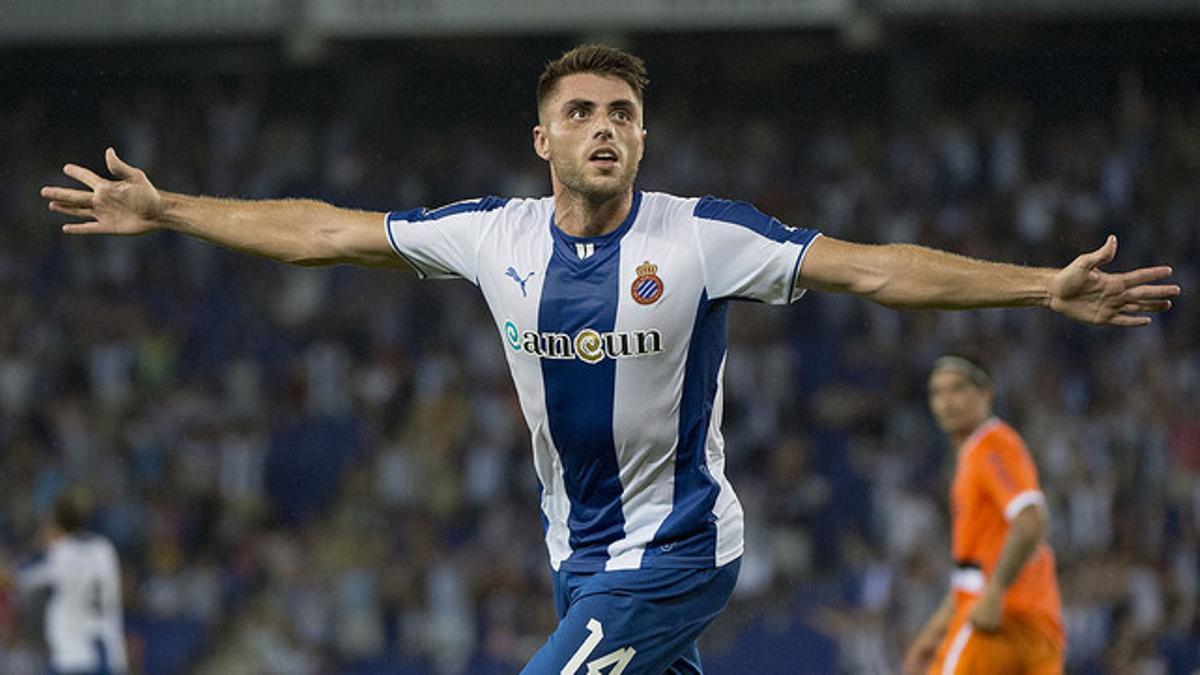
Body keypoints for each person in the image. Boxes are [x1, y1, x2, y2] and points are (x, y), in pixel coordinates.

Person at [39, 44, 1178, 674]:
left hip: (679, 550)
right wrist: (172, 209)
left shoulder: (701, 236)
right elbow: (324, 232)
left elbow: (876, 268)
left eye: (622, 113)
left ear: (642, 136)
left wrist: (1040, 287)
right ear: (543, 139)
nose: (603, 126)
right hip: (574, 558)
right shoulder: (495, 238)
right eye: (580, 110)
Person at [903, 356, 1065, 675]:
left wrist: (995, 592)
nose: (946, 402)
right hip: (1035, 620)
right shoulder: (974, 454)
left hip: (999, 621)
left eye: (958, 389)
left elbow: (1030, 520)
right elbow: (972, 568)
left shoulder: (990, 444)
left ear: (985, 394)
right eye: (937, 393)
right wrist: (935, 630)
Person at [10, 490, 128, 675]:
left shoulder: (60, 554)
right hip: (108, 652)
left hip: (74, 657)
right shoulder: (103, 549)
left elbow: (17, 577)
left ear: (57, 526)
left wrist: (40, 545)